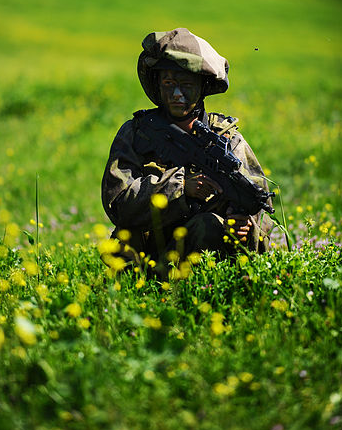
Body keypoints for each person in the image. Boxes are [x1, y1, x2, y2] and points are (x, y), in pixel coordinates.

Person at [101, 28, 274, 276]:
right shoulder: (138, 132)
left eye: (186, 85)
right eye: (169, 83)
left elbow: (259, 205)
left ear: (202, 87)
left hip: (206, 268)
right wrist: (180, 188)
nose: (177, 94)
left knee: (209, 225)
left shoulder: (227, 140)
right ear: (157, 85)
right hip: (142, 264)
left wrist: (247, 228)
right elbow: (117, 203)